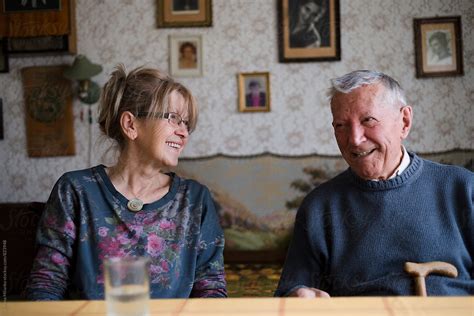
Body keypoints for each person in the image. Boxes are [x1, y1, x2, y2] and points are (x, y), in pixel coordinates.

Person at [25, 65, 227, 300]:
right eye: (173, 118)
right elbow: (46, 284)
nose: (184, 133)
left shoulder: (195, 199)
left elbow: (211, 290)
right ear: (131, 125)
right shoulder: (76, 190)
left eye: (186, 123)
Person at [275, 70, 473, 297]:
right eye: (341, 126)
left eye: (368, 120)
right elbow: (290, 289)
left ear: (404, 122)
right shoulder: (320, 206)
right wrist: (297, 294)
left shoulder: (463, 188)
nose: (355, 139)